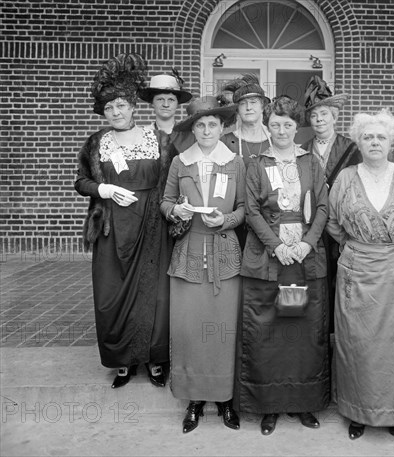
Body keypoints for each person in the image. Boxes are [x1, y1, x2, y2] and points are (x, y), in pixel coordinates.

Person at [74, 53, 172, 389]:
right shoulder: (96, 144)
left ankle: (155, 360)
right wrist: (104, 188)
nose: (116, 113)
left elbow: (172, 181)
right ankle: (123, 362)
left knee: (155, 294)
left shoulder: (157, 140)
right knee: (110, 295)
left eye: (121, 106)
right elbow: (80, 181)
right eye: (109, 108)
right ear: (103, 112)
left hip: (152, 228)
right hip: (111, 230)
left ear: (133, 107)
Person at [234, 96, 330, 436]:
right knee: (269, 332)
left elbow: (322, 207)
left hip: (303, 261)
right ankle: (269, 407)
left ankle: (303, 403)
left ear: (296, 126)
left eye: (288, 124)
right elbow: (251, 211)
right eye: (275, 124)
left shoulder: (311, 163)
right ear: (268, 126)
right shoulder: (256, 164)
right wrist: (276, 247)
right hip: (270, 261)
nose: (281, 130)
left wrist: (306, 244)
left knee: (302, 329)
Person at [326, 109, 394, 441]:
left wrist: (392, 247)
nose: (375, 142)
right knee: (358, 343)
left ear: (391, 140)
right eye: (368, 136)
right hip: (357, 270)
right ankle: (357, 411)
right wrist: (360, 247)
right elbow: (333, 223)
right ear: (358, 141)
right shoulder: (345, 178)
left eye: (381, 136)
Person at [160, 96, 245, 434]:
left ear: (222, 128)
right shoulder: (181, 162)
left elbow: (244, 209)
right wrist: (174, 211)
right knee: (190, 331)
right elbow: (165, 201)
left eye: (212, 124)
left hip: (224, 255)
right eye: (200, 125)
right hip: (189, 254)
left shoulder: (236, 162)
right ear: (192, 129)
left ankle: (225, 400)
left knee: (223, 332)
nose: (207, 130)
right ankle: (194, 400)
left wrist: (225, 219)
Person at [300, 75, 361, 335]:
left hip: (340, 228)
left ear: (334, 115)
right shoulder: (301, 149)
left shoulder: (351, 148)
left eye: (324, 113)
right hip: (309, 227)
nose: (319, 120)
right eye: (314, 115)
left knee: (340, 286)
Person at [221, 74, 272, 167]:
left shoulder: (275, 138)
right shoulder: (226, 141)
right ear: (237, 109)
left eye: (253, 102)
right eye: (243, 103)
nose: (248, 107)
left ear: (263, 105)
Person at [139, 70, 193, 135]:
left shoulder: (187, 136)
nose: (166, 104)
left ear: (177, 103)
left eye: (171, 99)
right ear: (152, 103)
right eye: (160, 99)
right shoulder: (142, 135)